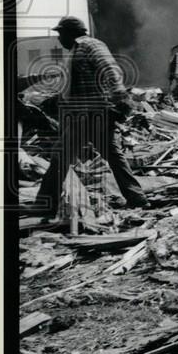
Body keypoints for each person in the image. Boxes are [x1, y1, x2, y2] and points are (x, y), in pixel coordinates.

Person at [31, 16, 149, 216]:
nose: (59, 39)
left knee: (60, 157)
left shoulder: (89, 45)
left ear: (69, 33)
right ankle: (137, 198)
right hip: (90, 112)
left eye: (60, 34)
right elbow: (79, 85)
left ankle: (45, 205)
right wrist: (55, 100)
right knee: (113, 155)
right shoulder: (79, 50)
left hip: (89, 113)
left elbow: (110, 69)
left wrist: (121, 98)